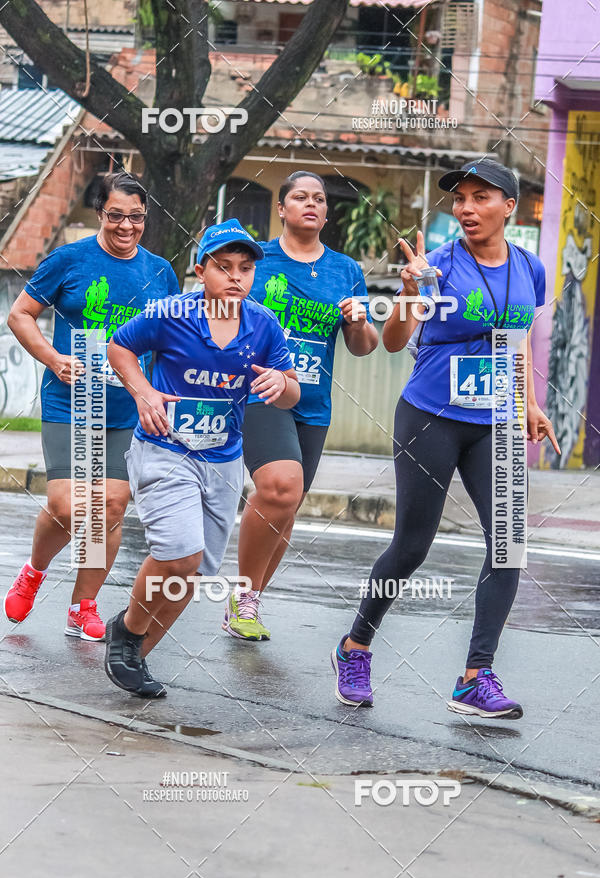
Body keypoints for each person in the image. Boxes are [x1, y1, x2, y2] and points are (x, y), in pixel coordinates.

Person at [331, 159, 560, 718]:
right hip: (431, 415)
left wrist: (529, 403)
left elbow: (518, 338)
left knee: (508, 545)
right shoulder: (433, 265)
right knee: (412, 547)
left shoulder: (529, 269)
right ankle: (355, 646)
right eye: (460, 199)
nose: (466, 208)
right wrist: (409, 291)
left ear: (509, 205)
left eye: (481, 197)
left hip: (497, 422)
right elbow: (393, 341)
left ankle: (475, 677)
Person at [104, 219, 299, 697]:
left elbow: (291, 388)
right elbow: (119, 347)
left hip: (223, 460)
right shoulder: (171, 313)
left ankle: (133, 657)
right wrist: (144, 391)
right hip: (166, 449)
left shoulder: (264, 325)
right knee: (180, 556)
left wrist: (281, 386)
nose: (236, 277)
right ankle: (127, 633)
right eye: (224, 266)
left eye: (246, 268)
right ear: (200, 270)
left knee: (191, 574)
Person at [4, 172, 178, 640]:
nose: (126, 226)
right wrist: (54, 357)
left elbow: (169, 340)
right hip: (72, 401)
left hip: (127, 409)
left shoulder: (161, 272)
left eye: (136, 217)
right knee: (66, 505)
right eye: (116, 215)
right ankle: (35, 570)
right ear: (100, 213)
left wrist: (157, 391)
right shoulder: (69, 259)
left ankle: (83, 606)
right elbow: (19, 315)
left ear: (146, 218)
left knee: (111, 506)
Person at [228, 171, 379, 641]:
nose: (310, 204)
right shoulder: (257, 259)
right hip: (260, 391)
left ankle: (248, 600)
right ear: (282, 208)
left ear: (326, 212)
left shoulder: (346, 271)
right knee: (277, 487)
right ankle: (243, 595)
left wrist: (357, 322)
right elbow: (224, 313)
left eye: (318, 199)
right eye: (299, 197)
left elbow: (364, 346)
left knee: (287, 504)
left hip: (312, 403)